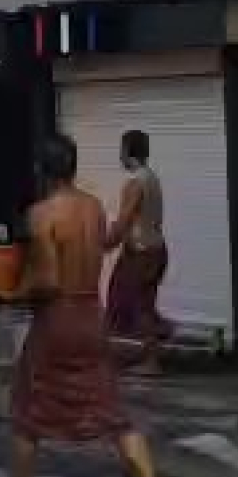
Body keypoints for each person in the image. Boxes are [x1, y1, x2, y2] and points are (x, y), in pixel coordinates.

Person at [2, 134, 173, 477]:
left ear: (43, 170)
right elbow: (103, 247)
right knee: (114, 414)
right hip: (90, 317)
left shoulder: (42, 215)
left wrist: (12, 291)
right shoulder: (93, 208)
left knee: (29, 413)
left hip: (56, 320)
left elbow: (45, 280)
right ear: (73, 167)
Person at [105, 129, 170, 374]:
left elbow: (124, 222)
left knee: (126, 303)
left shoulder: (134, 184)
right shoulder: (152, 178)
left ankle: (148, 360)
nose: (119, 156)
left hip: (141, 253)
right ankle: (158, 338)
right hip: (154, 248)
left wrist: (102, 244)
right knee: (140, 304)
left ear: (127, 152)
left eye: (121, 150)